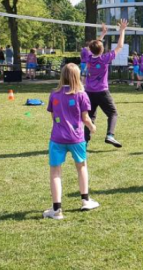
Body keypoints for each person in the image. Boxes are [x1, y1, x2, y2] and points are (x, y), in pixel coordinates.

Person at [43, 63, 99, 220]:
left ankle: (57, 210)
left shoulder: (54, 95)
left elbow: (53, 117)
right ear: (77, 77)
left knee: (55, 172)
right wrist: (92, 127)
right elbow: (85, 118)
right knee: (81, 168)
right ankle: (85, 200)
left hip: (57, 138)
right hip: (77, 138)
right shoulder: (82, 95)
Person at [84, 19, 127, 148]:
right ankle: (110, 135)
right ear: (102, 50)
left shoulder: (88, 57)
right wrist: (122, 31)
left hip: (89, 92)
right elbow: (120, 46)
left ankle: (85, 141)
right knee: (113, 113)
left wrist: (102, 34)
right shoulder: (104, 59)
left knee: (90, 116)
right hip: (102, 92)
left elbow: (94, 47)